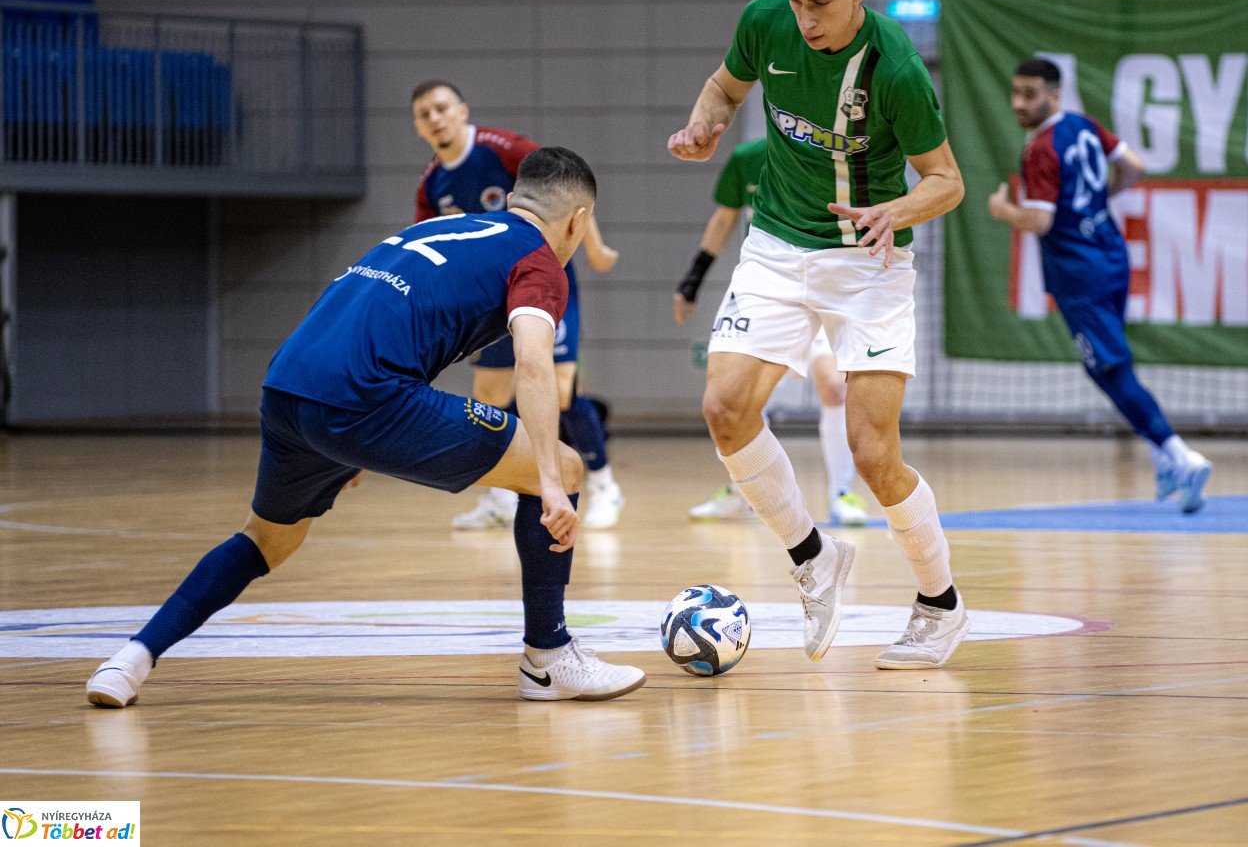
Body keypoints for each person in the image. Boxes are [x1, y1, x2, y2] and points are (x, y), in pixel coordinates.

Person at [86, 148, 645, 707]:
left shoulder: (446, 227)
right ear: (577, 219)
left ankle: (128, 661)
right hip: (366, 397)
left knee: (265, 541)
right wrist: (548, 479)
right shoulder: (540, 260)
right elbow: (532, 362)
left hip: (288, 386)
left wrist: (342, 445)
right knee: (567, 465)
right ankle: (548, 660)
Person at [668, 0, 969, 670]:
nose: (804, 19)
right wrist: (703, 125)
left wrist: (893, 211)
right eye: (796, 1)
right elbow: (721, 88)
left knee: (873, 454)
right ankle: (814, 557)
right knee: (724, 407)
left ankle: (941, 603)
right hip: (776, 243)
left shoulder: (895, 69)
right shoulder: (765, 24)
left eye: (821, 4)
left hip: (867, 261)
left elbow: (947, 182)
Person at [987, 58, 1212, 513]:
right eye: (1015, 93)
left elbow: (1040, 219)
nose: (1019, 103)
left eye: (1030, 94)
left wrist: (1002, 210)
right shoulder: (1082, 124)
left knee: (1109, 367)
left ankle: (1180, 455)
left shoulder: (1039, 150)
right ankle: (1161, 458)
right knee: (1107, 363)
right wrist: (1094, 199)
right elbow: (1133, 165)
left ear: (1054, 95)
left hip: (1078, 272)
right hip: (1111, 254)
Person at [409, 80, 625, 531]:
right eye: (424, 113)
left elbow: (568, 191)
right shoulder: (432, 183)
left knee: (560, 388)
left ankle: (604, 484)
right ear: (418, 127)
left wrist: (594, 248)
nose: (435, 118)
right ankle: (499, 497)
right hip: (491, 294)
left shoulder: (505, 149)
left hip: (543, 277)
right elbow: (438, 250)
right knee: (488, 395)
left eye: (441, 108)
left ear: (463, 111)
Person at [676, 136, 871, 526]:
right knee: (736, 395)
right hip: (771, 289)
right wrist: (692, 280)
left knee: (833, 386)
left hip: (824, 285)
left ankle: (841, 493)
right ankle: (740, 489)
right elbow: (724, 218)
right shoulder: (748, 158)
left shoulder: (834, 153)